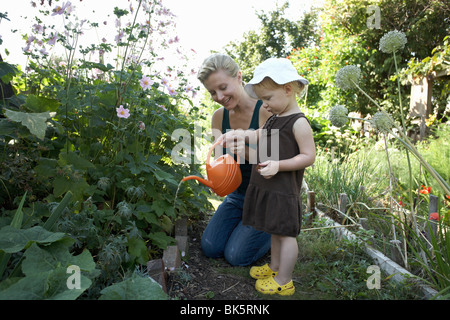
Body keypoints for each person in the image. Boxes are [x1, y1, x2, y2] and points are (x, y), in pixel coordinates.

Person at [222, 57, 316, 295]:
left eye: (268, 98)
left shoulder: (298, 123)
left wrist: (279, 165)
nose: (265, 104)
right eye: (262, 99)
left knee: (286, 235)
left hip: (284, 191)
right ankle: (274, 267)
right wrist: (239, 135)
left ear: (287, 89)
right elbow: (259, 135)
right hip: (270, 189)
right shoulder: (275, 117)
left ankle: (284, 280)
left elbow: (308, 156)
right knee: (275, 230)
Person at [196, 53, 273, 266]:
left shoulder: (266, 110)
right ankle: (244, 227)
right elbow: (222, 160)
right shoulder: (219, 117)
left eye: (223, 87)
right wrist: (216, 178)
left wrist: (245, 151)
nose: (219, 96)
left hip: (267, 197)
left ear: (239, 77)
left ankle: (277, 231)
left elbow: (280, 162)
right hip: (238, 196)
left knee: (236, 256)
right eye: (212, 92)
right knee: (211, 247)